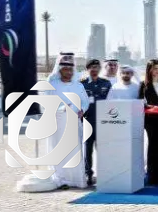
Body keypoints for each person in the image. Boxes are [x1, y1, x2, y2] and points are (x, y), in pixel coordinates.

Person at [45, 59, 90, 189]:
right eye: (66, 69)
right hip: (57, 124)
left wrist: (82, 110)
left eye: (71, 70)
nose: (69, 72)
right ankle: (60, 179)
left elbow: (85, 102)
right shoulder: (52, 84)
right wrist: (61, 108)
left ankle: (76, 180)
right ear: (60, 70)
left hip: (73, 123)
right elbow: (46, 102)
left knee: (74, 151)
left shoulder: (78, 86)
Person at [79, 59, 112, 186]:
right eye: (92, 67)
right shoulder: (81, 84)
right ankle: (88, 174)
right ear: (87, 69)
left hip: (102, 122)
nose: (94, 69)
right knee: (88, 149)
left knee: (103, 149)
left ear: (100, 69)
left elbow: (111, 101)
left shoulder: (106, 83)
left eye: (97, 67)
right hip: (87, 121)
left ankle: (104, 174)